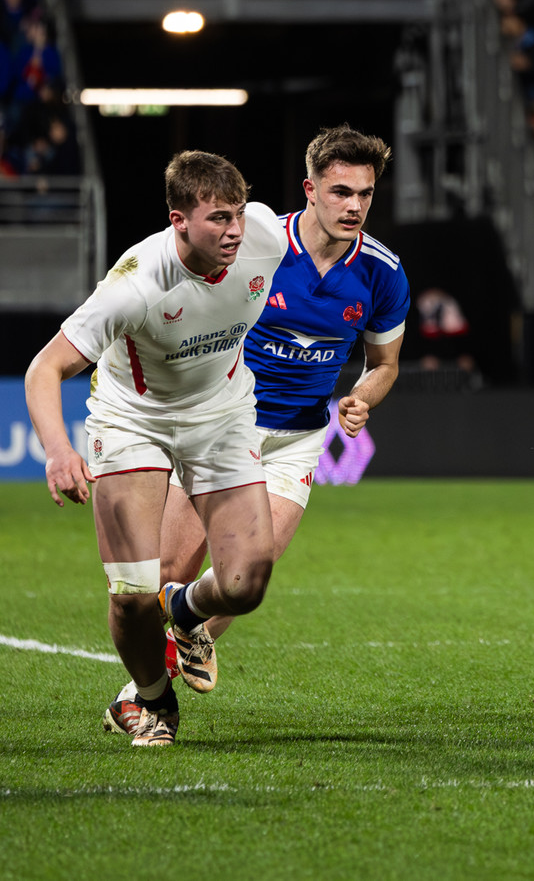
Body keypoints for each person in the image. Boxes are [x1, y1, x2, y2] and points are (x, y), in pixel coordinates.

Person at [100, 127, 409, 730]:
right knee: (166, 575)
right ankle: (146, 686)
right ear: (310, 188)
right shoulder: (257, 242)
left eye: (365, 194)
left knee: (243, 579)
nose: (354, 206)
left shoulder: (382, 273)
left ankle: (142, 697)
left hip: (297, 439)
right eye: (341, 190)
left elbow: (385, 364)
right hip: (221, 426)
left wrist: (361, 398)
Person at [24, 152, 289, 747]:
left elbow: (325, 227)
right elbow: (44, 369)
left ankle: (188, 610)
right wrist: (60, 451)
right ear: (179, 220)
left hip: (221, 415)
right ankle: (153, 701)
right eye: (219, 218)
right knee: (132, 600)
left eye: (239, 213)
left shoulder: (265, 236)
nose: (235, 230)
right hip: (133, 423)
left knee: (247, 581)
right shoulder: (135, 285)